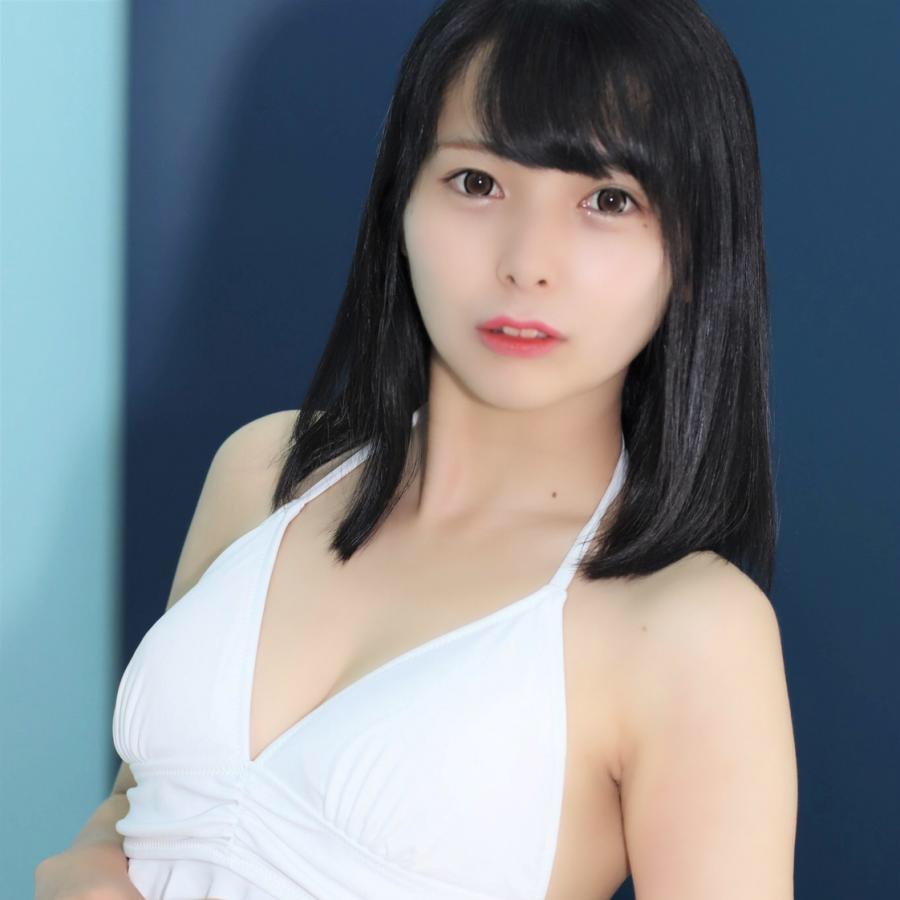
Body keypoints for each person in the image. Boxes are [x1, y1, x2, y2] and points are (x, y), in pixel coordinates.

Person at [35, 0, 798, 897]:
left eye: (606, 200)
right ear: (400, 199)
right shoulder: (264, 474)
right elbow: (143, 807)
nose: (526, 261)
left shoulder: (689, 626)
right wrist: (85, 870)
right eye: (477, 182)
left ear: (695, 249)